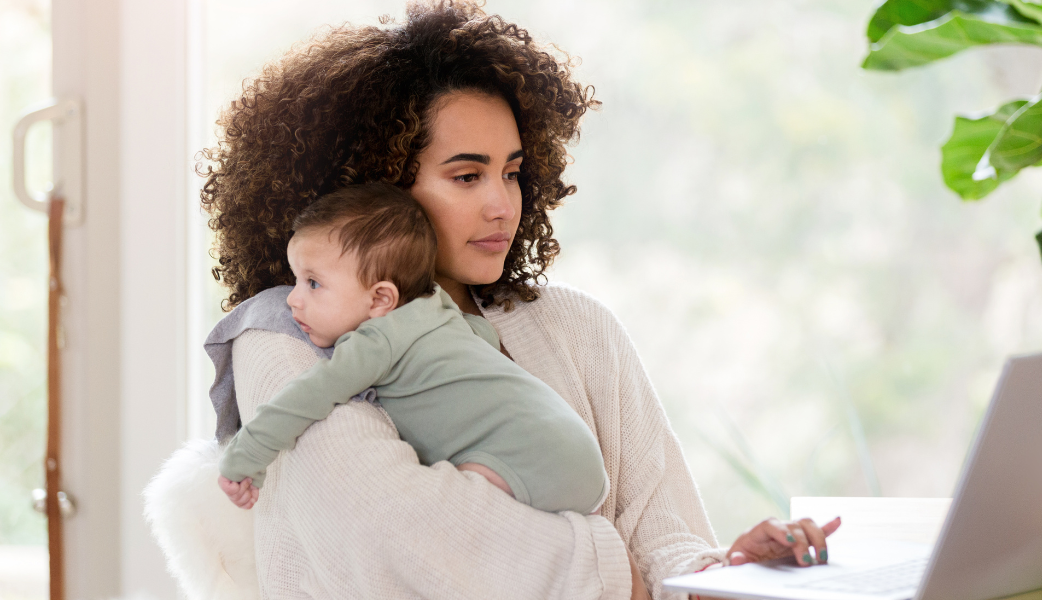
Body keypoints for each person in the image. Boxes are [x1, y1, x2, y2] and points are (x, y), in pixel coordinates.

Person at [199, 1, 839, 598]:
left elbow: (663, 539)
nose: (502, 204)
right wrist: (621, 577)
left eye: (511, 172)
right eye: (466, 176)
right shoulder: (289, 331)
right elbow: (403, 534)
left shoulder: (577, 326)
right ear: (377, 189)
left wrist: (726, 574)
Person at [214, 182, 608, 515]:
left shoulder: (376, 341)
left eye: (312, 283)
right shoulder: (438, 306)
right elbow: (482, 339)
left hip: (525, 463)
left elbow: (304, 398)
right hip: (576, 448)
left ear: (381, 298)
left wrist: (244, 456)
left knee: (451, 513)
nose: (292, 300)